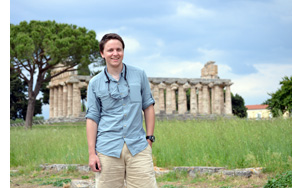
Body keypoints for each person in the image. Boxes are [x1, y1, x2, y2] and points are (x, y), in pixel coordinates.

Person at [85, 33, 158, 188]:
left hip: (138, 146)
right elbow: (92, 118)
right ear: (102, 53)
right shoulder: (94, 83)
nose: (115, 53)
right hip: (107, 148)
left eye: (119, 49)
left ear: (123, 52)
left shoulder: (139, 74)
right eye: (110, 50)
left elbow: (148, 106)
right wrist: (92, 153)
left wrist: (149, 138)